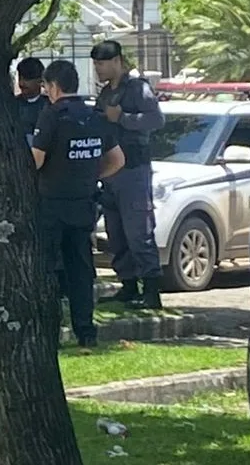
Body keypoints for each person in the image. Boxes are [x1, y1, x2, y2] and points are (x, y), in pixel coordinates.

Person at [32, 60, 125, 348]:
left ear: (55, 87)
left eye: (46, 86)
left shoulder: (53, 115)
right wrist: (88, 175)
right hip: (84, 203)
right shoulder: (95, 115)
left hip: (52, 204)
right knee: (81, 270)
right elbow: (118, 160)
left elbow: (36, 159)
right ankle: (85, 331)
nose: (46, 92)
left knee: (47, 268)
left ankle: (48, 330)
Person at [92, 39, 165, 309]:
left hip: (134, 170)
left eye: (101, 63)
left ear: (116, 61)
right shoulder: (104, 93)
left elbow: (156, 120)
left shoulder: (137, 89)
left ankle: (151, 291)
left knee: (139, 231)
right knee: (116, 232)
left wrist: (122, 118)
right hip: (111, 171)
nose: (98, 69)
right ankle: (128, 284)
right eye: (96, 64)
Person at [15, 57, 48, 142]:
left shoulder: (50, 106)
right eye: (20, 78)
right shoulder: (11, 105)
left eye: (27, 79)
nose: (21, 83)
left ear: (40, 80)